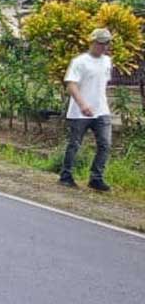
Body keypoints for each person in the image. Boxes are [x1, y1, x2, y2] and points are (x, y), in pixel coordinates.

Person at [59, 28, 114, 192]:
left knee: (105, 144)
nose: (104, 46)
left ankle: (96, 178)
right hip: (79, 111)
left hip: (101, 109)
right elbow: (71, 84)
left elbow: (102, 84)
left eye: (107, 43)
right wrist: (83, 105)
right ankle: (66, 175)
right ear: (93, 42)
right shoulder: (80, 62)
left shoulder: (107, 61)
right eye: (101, 43)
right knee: (75, 144)